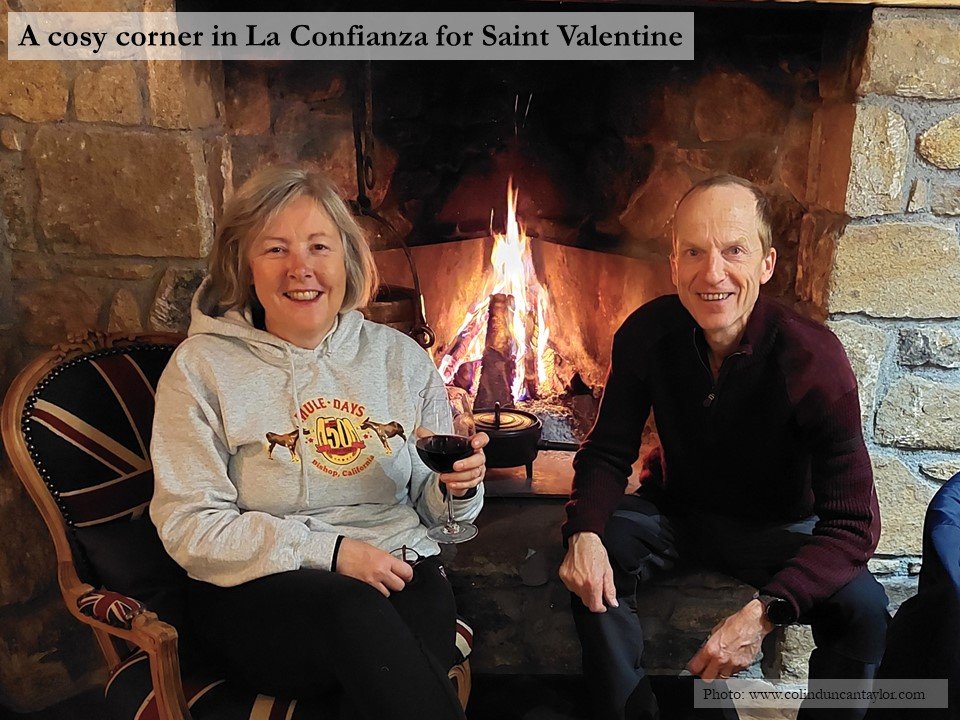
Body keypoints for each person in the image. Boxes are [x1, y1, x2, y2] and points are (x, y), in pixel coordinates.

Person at [149, 164, 487, 720]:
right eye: (276, 249)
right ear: (245, 266)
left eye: (318, 246)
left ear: (347, 261)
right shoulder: (202, 368)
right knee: (361, 627)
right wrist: (329, 553)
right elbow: (191, 525)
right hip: (257, 591)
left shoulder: (400, 360)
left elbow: (430, 512)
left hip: (399, 567)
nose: (301, 268)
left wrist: (456, 488)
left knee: (389, 667)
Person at [559, 175, 889, 720]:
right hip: (680, 514)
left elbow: (854, 525)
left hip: (781, 528)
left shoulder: (813, 361)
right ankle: (629, 710)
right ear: (673, 265)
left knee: (865, 608)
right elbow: (606, 452)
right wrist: (585, 529)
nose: (712, 273)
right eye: (694, 252)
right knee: (598, 547)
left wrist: (764, 612)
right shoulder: (646, 334)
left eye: (734, 250)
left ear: (766, 264)